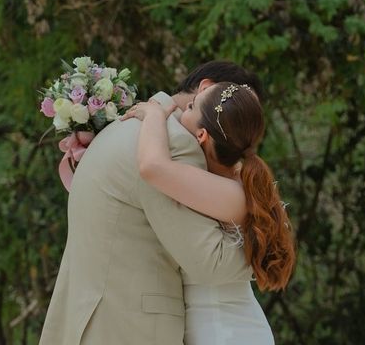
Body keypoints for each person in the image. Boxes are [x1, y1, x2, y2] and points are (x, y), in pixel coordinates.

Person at [39, 61, 265, 345]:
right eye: (234, 118)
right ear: (207, 89)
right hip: (129, 328)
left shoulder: (124, 126)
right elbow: (209, 263)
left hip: (91, 318)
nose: (236, 136)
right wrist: (265, 254)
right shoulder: (174, 144)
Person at [122, 81, 296, 344]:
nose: (183, 111)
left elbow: (152, 167)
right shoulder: (224, 184)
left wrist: (156, 114)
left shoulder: (231, 193)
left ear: (201, 135)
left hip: (227, 333)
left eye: (190, 107)